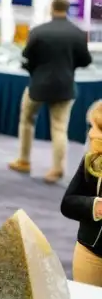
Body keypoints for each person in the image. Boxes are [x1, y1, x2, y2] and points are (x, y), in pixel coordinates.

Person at [9, 0, 93, 184]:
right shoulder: (78, 33)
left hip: (38, 85)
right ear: (67, 9)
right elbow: (86, 60)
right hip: (65, 87)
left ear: (51, 8)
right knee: (59, 129)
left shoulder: (39, 31)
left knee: (27, 120)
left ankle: (24, 160)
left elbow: (26, 56)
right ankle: (57, 169)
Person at [61, 101, 102, 285]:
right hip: (90, 252)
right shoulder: (92, 161)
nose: (91, 134)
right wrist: (95, 206)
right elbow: (68, 203)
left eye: (97, 129)